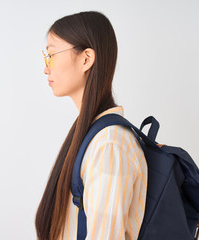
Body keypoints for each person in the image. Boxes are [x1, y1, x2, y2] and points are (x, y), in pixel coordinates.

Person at [35, 11, 148, 240]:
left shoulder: (110, 145)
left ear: (86, 59)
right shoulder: (92, 134)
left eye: (52, 54)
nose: (46, 68)